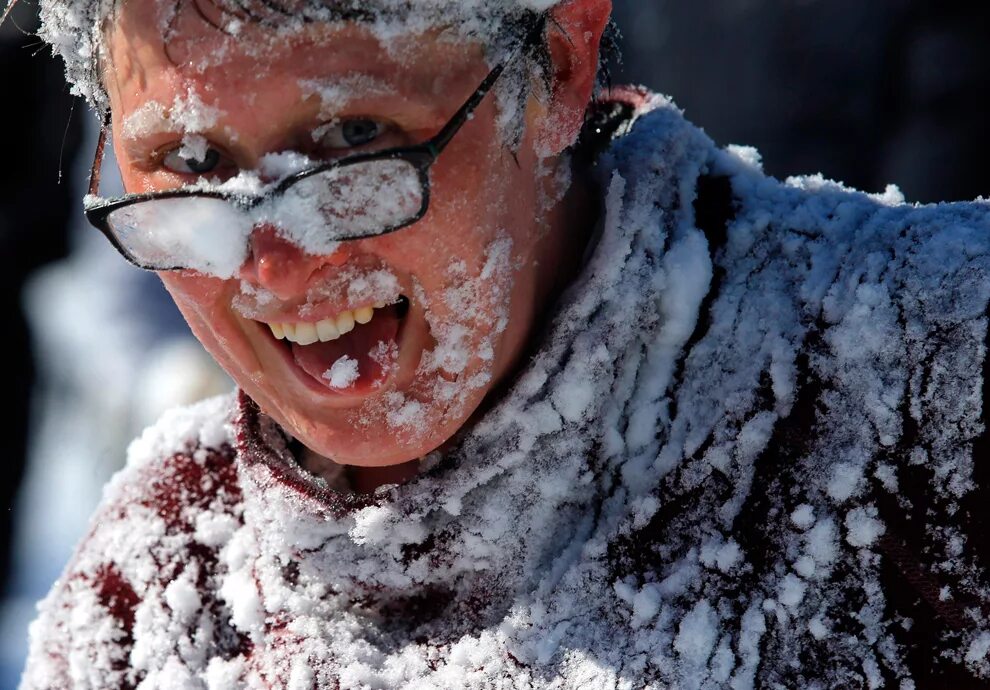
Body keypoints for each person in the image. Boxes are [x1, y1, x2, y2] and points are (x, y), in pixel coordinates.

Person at [17, 0, 990, 687]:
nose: (274, 267)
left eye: (357, 137)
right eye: (189, 164)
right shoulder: (156, 595)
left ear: (561, 65)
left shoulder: (926, 375)